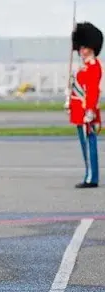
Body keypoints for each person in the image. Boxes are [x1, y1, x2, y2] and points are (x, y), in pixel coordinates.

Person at [66, 22, 103, 188]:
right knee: (86, 146)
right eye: (80, 46)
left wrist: (89, 110)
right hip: (79, 111)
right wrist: (69, 100)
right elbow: (78, 88)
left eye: (84, 46)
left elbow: (93, 91)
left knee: (89, 146)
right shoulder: (84, 67)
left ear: (92, 47)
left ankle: (91, 178)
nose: (81, 50)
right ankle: (90, 175)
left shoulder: (93, 67)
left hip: (86, 112)